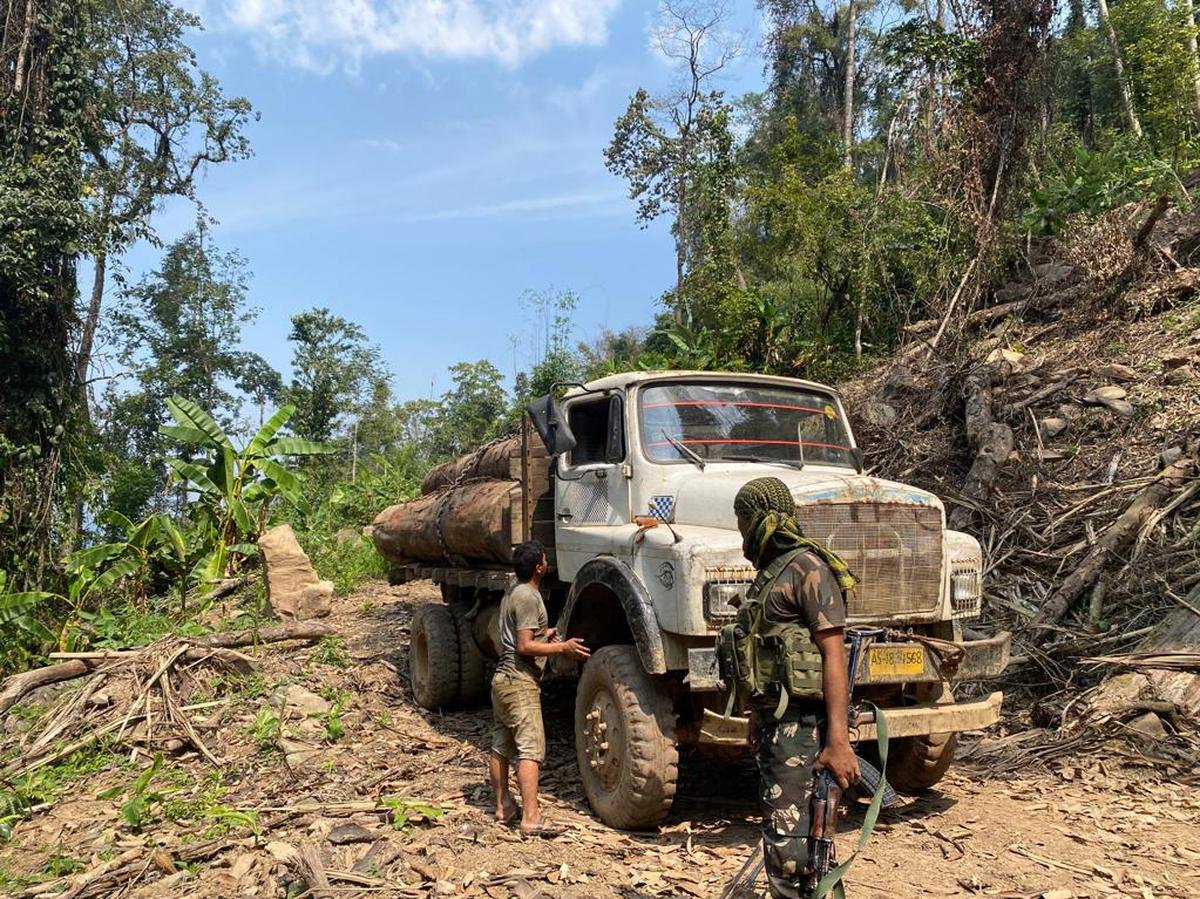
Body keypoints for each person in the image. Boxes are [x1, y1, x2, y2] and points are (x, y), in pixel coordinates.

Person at [732, 477, 860, 899]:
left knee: (795, 854)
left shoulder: (807, 569)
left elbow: (834, 655)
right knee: (787, 843)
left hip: (802, 730)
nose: (740, 529)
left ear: (759, 519)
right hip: (777, 728)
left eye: (742, 519)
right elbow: (763, 660)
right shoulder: (772, 574)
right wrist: (756, 716)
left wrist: (838, 742)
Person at [489, 539, 590, 837]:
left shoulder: (513, 592)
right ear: (539, 568)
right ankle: (531, 817)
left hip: (503, 680)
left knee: (501, 745)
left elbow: (522, 635)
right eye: (545, 559)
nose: (547, 563)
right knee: (530, 749)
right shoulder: (529, 597)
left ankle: (503, 806)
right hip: (519, 681)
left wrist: (547, 634)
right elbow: (524, 645)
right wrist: (563, 647)